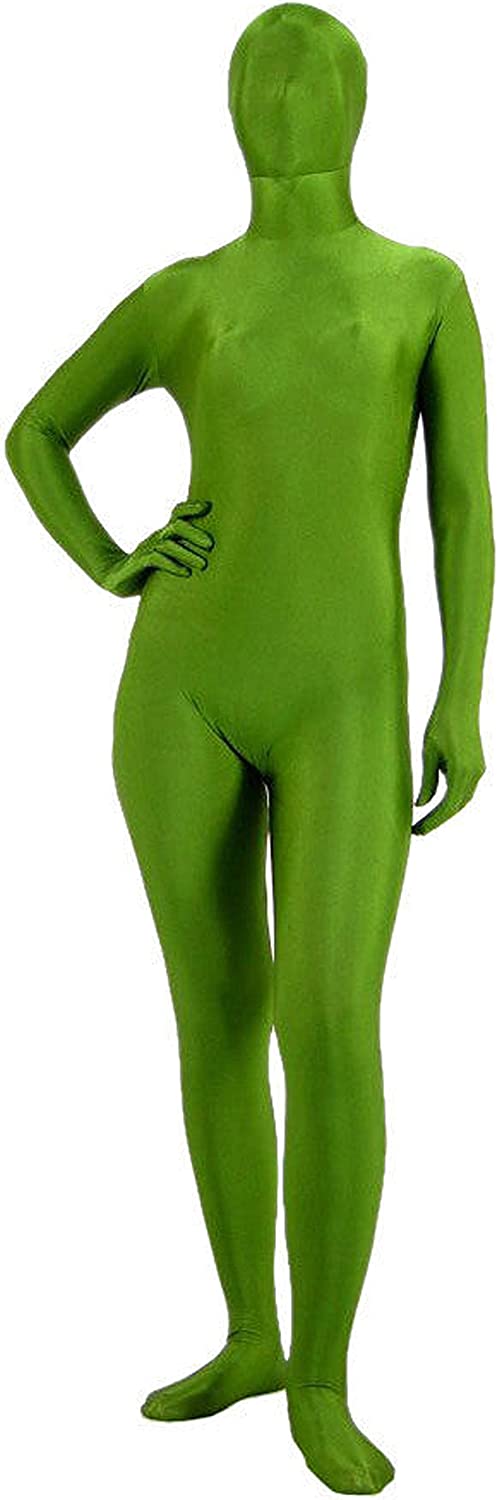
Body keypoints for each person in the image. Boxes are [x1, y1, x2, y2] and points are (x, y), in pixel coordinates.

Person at [5, 4, 494, 1494]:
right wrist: (111, 561)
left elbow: (462, 505)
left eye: (311, 78)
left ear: (358, 105)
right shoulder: (186, 294)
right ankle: (249, 1339)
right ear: (230, 114)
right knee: (213, 1019)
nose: (286, 100)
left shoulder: (422, 284)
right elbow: (33, 433)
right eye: (262, 84)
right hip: (181, 691)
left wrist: (459, 695)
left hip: (350, 694)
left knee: (327, 1017)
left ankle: (324, 1380)